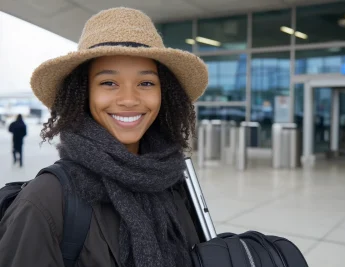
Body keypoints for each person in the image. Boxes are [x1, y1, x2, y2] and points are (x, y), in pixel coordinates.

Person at [0, 7, 208, 267]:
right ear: (82, 93)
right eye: (109, 83)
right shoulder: (46, 201)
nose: (130, 99)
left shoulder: (172, 180)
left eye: (146, 83)